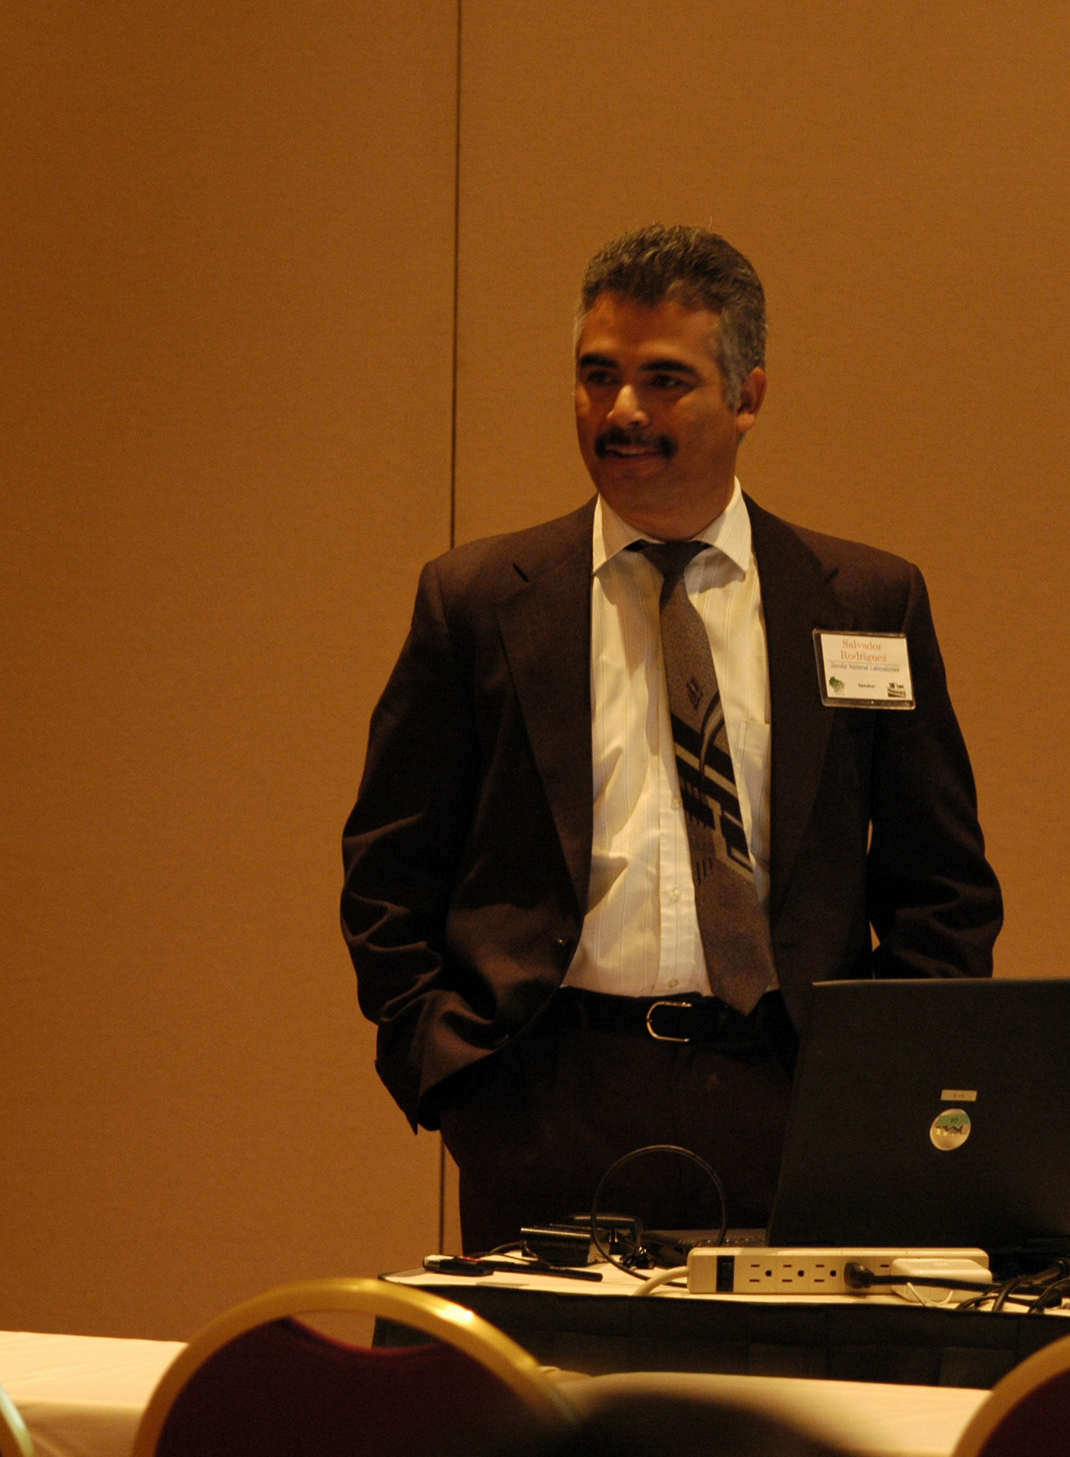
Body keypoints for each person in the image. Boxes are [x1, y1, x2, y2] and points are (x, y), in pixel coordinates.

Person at [342, 224, 1000, 1253]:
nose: (622, 412)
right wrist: (450, 1071)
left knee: (781, 1367)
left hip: (794, 1099)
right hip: (546, 1100)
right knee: (553, 1366)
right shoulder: (476, 603)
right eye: (597, 375)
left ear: (748, 397)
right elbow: (389, 868)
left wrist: (885, 1091)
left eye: (663, 380)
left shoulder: (865, 603)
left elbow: (941, 886)